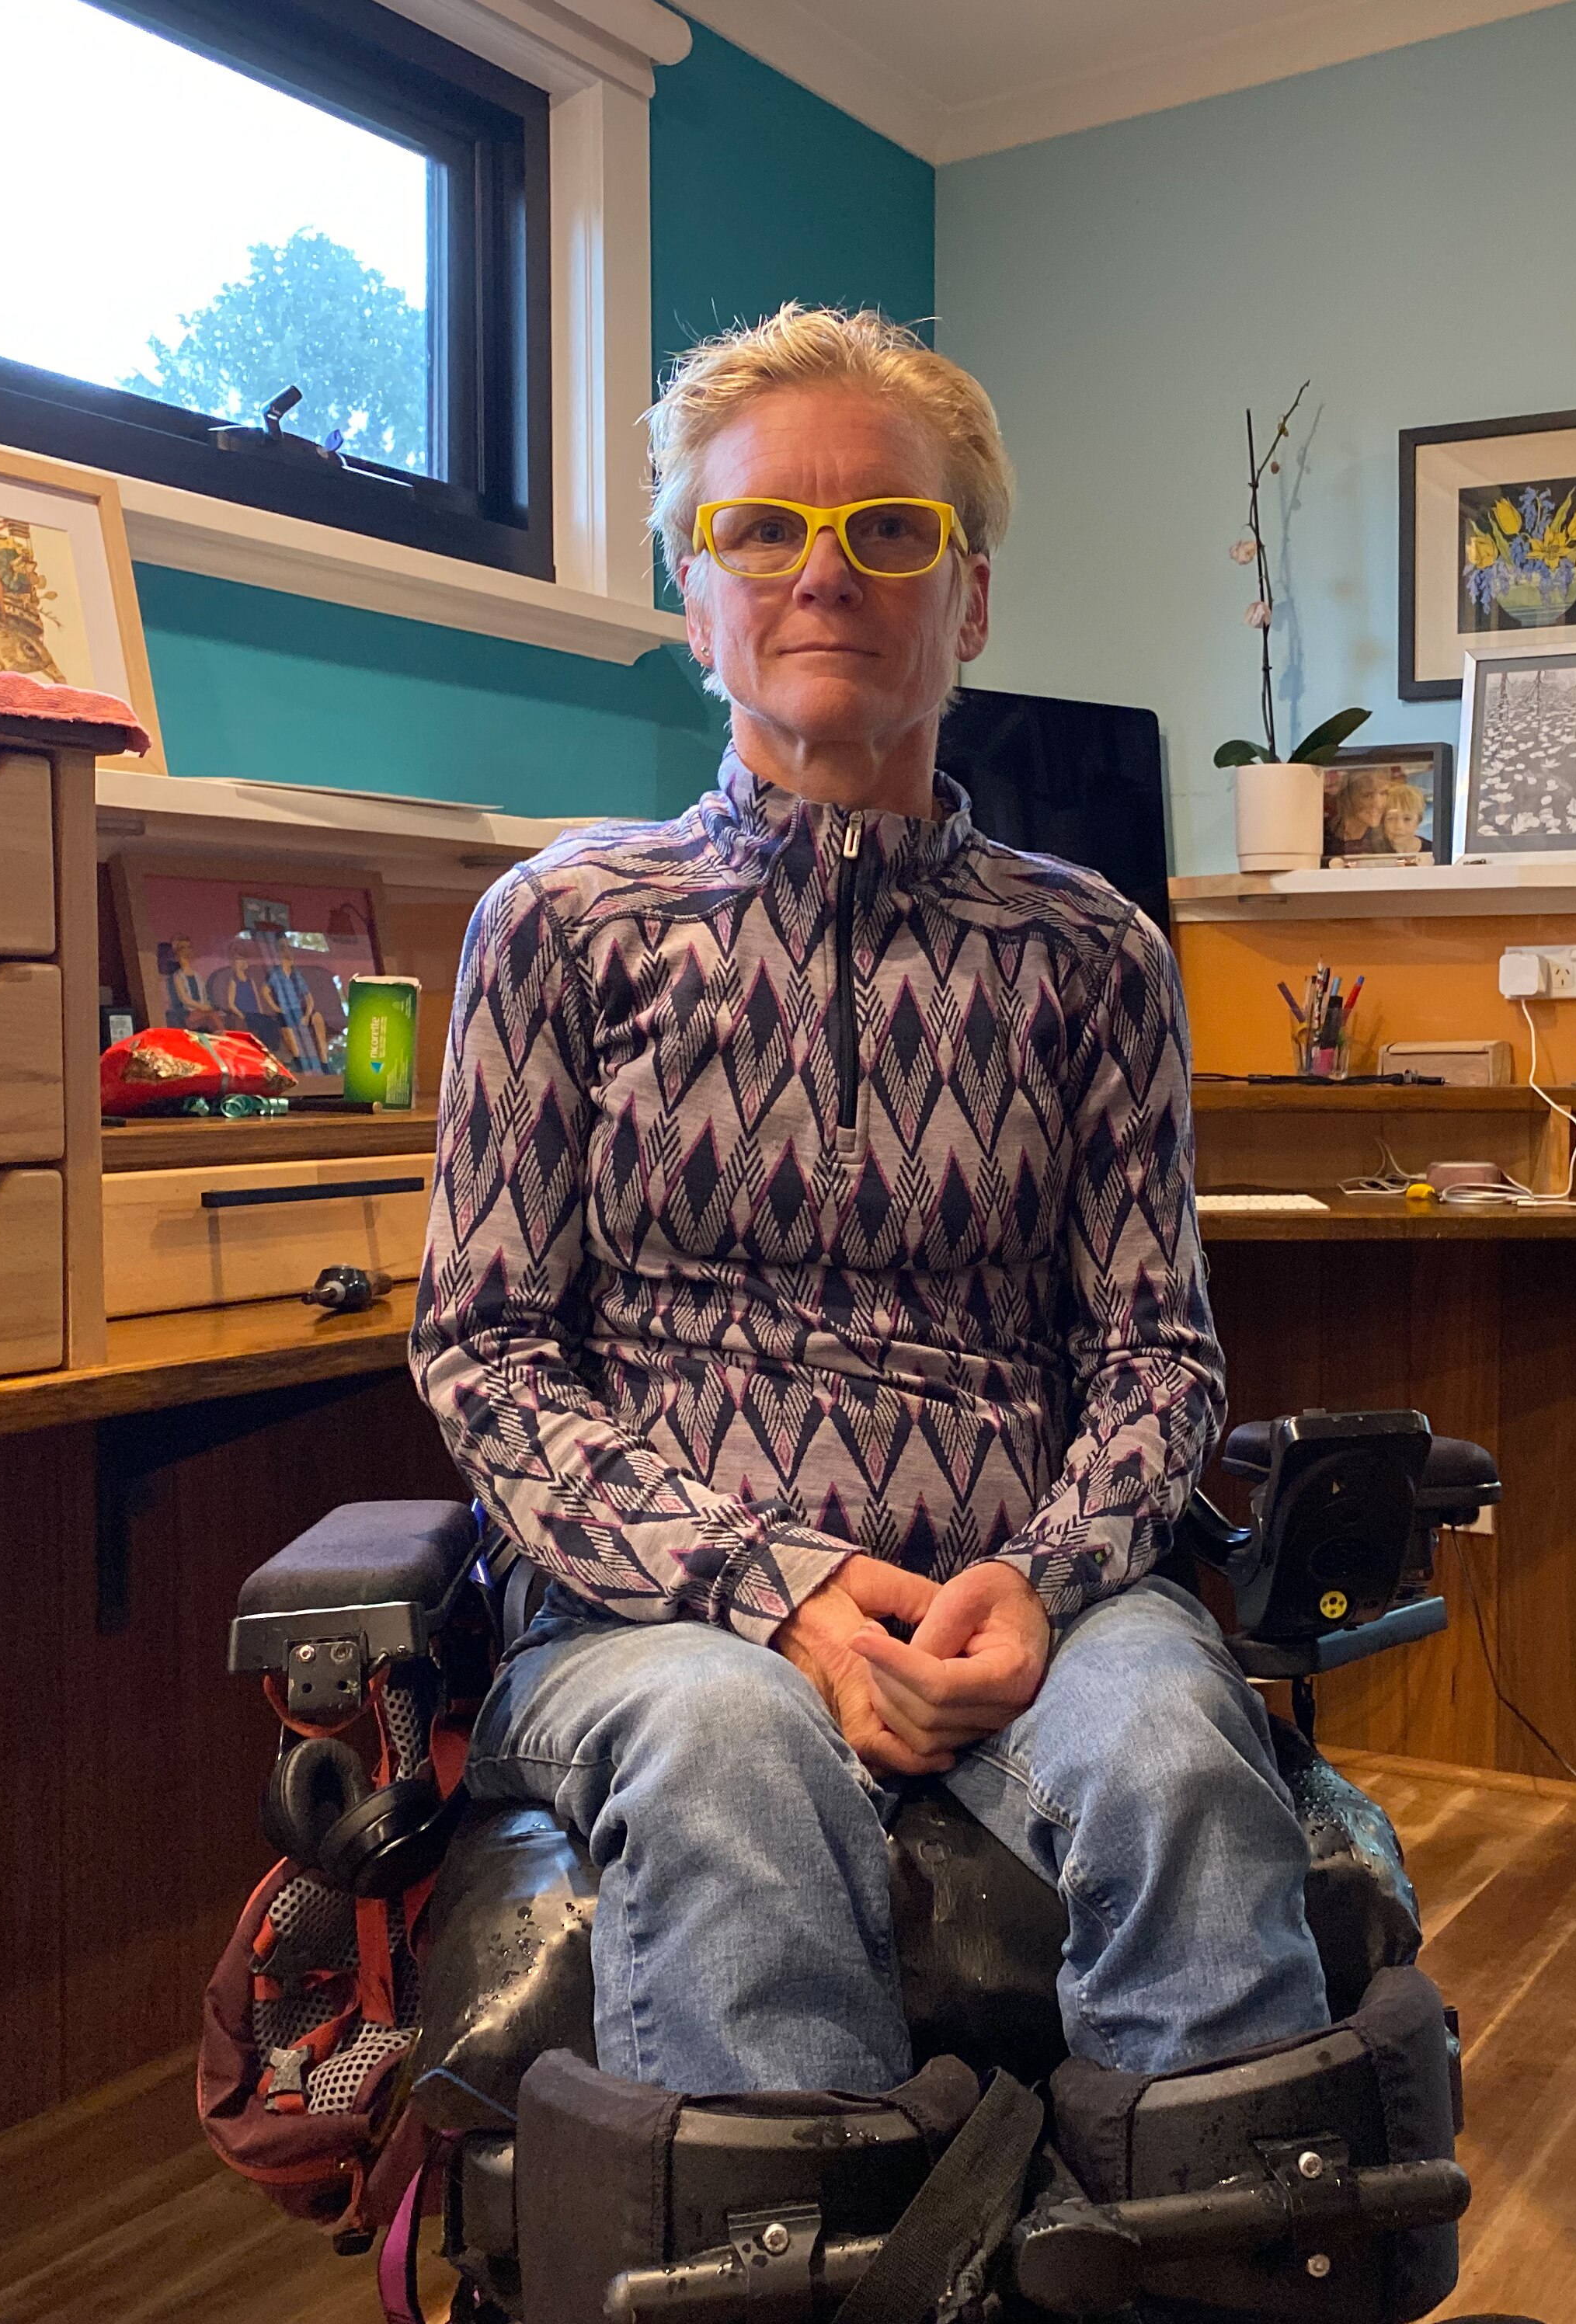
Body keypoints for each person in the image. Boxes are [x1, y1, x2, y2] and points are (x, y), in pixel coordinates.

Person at [409, 304, 1333, 2099]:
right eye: (764, 529)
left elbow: (1158, 1361)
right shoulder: (566, 926)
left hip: (1039, 1592)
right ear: (696, 602)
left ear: (968, 601)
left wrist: (1046, 1580)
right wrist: (786, 1593)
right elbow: (489, 1355)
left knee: (1183, 1763)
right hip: (652, 1621)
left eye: (887, 530)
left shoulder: (1094, 955)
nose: (825, 573)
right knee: (729, 1754)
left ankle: (1224, 2268)